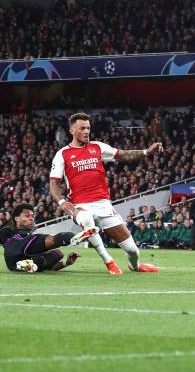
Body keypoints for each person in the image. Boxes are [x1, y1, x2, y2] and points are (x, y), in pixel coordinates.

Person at [49, 112, 162, 275]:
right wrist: (61, 202)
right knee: (86, 218)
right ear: (72, 130)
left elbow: (124, 155)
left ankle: (135, 266)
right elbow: (54, 182)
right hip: (80, 206)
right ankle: (108, 260)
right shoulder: (62, 154)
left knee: (132, 251)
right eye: (82, 128)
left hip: (104, 206)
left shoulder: (97, 147)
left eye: (88, 128)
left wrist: (146, 152)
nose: (87, 131)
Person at [0, 199, 97, 273]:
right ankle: (74, 238)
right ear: (17, 218)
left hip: (20, 261)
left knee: (57, 254)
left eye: (32, 216)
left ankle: (25, 265)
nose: (31, 218)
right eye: (27, 215)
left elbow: (52, 268)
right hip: (15, 248)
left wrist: (67, 263)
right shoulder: (9, 231)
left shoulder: (30, 235)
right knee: (52, 239)